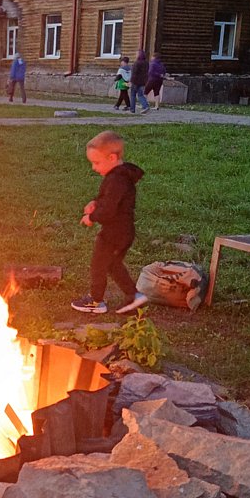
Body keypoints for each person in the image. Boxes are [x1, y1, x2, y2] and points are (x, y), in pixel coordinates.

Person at [71, 130, 148, 316]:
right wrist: (95, 203)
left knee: (98, 264)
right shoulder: (120, 176)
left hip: (114, 233)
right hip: (123, 231)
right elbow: (110, 200)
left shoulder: (116, 179)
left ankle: (96, 301)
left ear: (112, 158)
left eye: (96, 162)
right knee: (113, 264)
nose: (93, 167)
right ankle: (134, 296)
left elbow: (108, 210)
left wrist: (91, 217)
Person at [129, 50, 150, 114]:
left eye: (136, 54)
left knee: (133, 95)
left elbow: (134, 73)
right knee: (140, 95)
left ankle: (132, 109)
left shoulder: (137, 63)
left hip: (135, 81)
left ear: (139, 55)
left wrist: (131, 81)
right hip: (143, 81)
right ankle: (145, 106)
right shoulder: (146, 63)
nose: (136, 55)